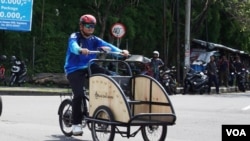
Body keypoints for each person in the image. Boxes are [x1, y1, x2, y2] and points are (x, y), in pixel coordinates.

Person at [64, 14, 129, 136]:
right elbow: (73, 46)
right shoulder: (75, 36)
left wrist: (121, 52)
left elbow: (109, 47)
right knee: (79, 95)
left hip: (90, 65)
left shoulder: (95, 40)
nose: (90, 28)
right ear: (81, 26)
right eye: (87, 25)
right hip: (73, 69)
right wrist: (79, 50)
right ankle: (76, 124)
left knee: (110, 77)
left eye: (92, 26)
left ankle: (102, 113)